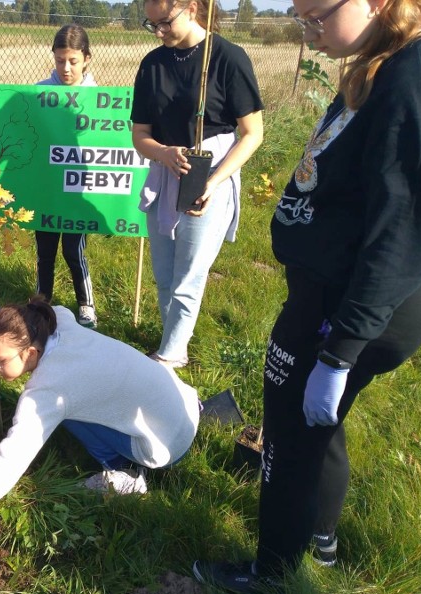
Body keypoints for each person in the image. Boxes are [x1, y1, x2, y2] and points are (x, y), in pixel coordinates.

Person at [192, 0, 421, 594]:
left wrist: (339, 351)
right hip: (332, 294)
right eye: (301, 18)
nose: (309, 31)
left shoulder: (415, 73)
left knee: (287, 433)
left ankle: (272, 574)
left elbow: (403, 226)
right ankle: (321, 539)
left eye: (317, 17)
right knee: (318, 423)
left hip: (345, 307)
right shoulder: (381, 59)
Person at [0, 298, 201, 557]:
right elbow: (49, 310)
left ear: (30, 352)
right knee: (80, 403)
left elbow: (8, 463)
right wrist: (7, 313)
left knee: (68, 412)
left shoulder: (46, 392)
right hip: (182, 406)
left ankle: (126, 474)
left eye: (1, 359)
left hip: (166, 446)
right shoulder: (59, 320)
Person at [131, 0, 264, 368]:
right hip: (166, 173)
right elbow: (139, 135)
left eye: (164, 22)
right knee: (164, 274)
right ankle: (173, 341)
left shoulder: (228, 58)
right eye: (151, 24)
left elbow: (252, 133)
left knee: (189, 274)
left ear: (191, 8)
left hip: (209, 176)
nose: (159, 32)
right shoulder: (152, 65)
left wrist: (215, 180)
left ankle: (169, 358)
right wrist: (163, 153)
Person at [34, 24, 99, 329]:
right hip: (47, 190)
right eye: (60, 60)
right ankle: (41, 303)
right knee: (44, 251)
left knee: (74, 250)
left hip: (78, 192)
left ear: (87, 58)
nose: (66, 68)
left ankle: (86, 305)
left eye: (73, 61)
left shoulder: (99, 100)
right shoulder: (40, 92)